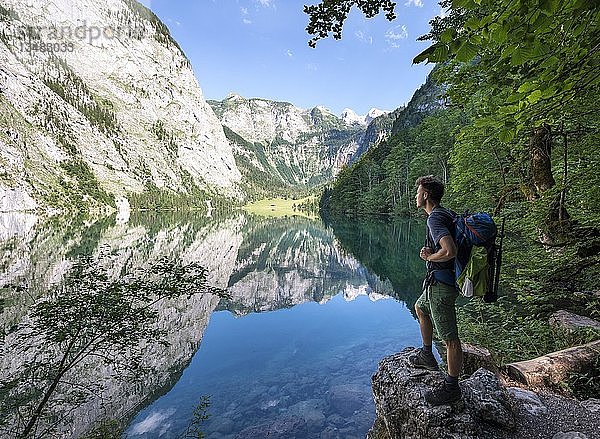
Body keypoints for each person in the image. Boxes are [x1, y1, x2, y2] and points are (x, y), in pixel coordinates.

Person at [409, 175, 462, 405]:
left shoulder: (435, 219)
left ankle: (451, 387)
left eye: (418, 191)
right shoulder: (443, 213)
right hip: (437, 282)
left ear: (426, 195)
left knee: (450, 339)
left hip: (442, 285)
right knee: (420, 307)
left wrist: (431, 256)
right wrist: (431, 252)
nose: (415, 195)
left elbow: (449, 251)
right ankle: (427, 355)